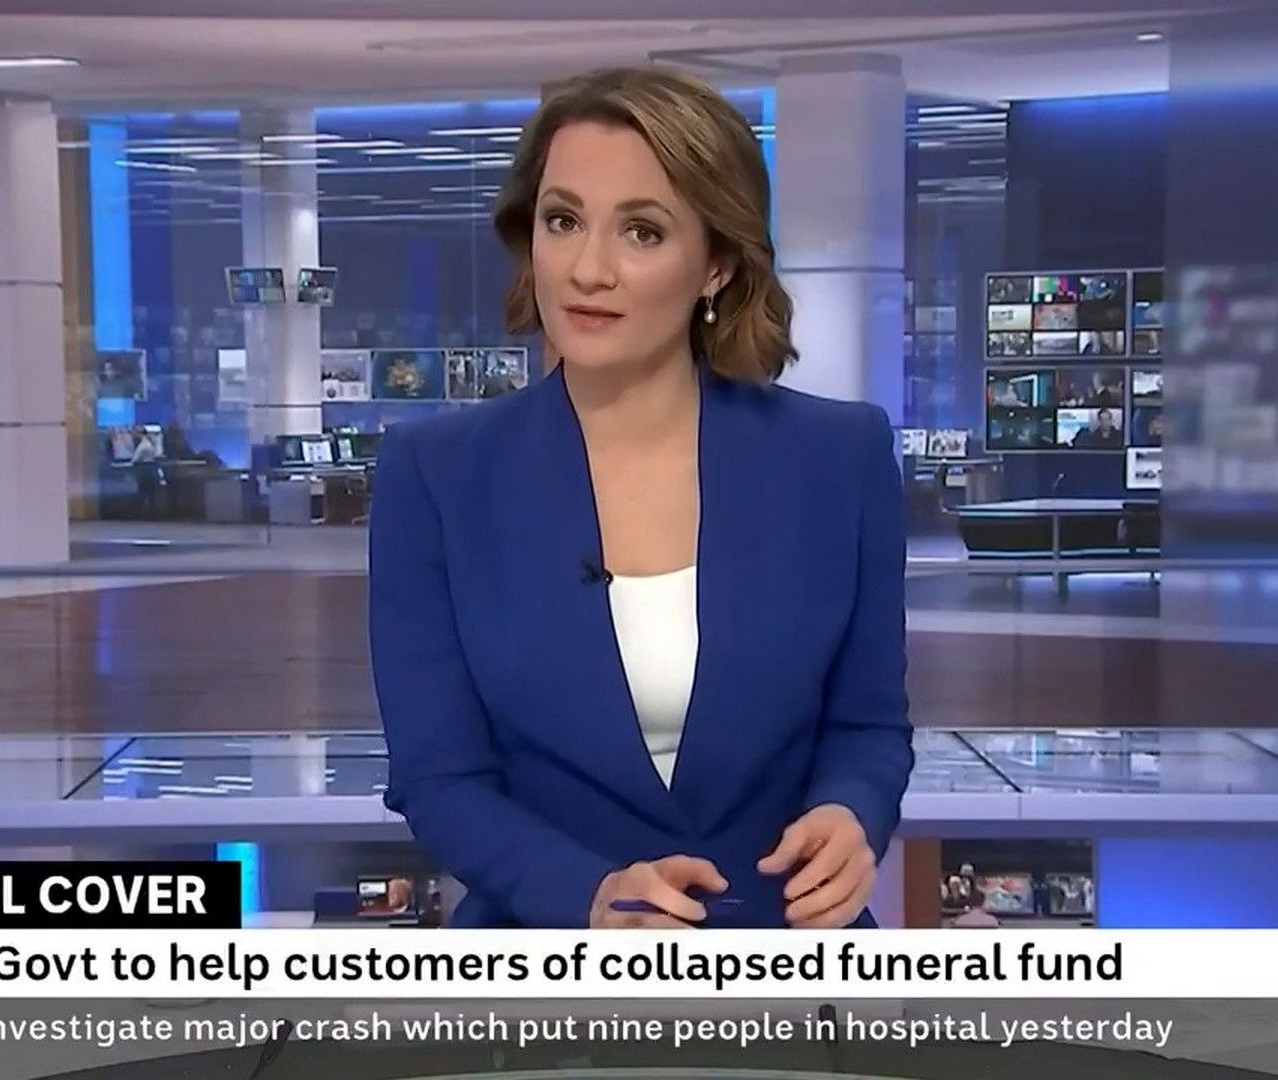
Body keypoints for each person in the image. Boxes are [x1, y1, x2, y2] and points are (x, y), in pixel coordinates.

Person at [369, 67, 913, 930]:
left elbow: (869, 727)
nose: (589, 269)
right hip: (545, 961)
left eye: (643, 232)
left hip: (783, 954)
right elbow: (440, 779)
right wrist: (585, 896)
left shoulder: (839, 459)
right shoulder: (434, 475)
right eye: (563, 221)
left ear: (717, 265)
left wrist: (853, 814)